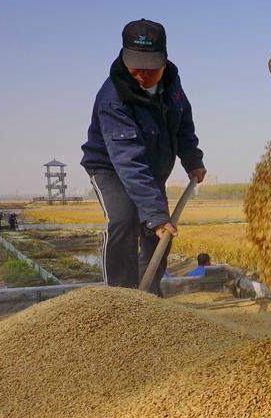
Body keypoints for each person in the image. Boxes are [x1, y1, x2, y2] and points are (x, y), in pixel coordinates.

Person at [81, 19, 206, 296]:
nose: (142, 75)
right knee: (125, 220)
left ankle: (148, 297)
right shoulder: (114, 98)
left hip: (151, 169)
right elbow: (128, 160)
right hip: (111, 167)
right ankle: (120, 297)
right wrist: (155, 215)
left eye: (151, 68)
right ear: (125, 57)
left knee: (159, 234)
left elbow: (182, 121)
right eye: (136, 67)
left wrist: (192, 159)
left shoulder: (171, 83)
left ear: (164, 61)